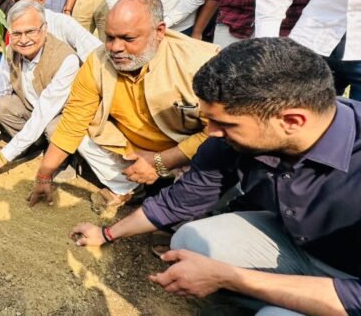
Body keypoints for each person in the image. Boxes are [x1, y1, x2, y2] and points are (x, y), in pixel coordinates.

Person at [69, 38, 357, 316]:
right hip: (296, 243)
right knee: (190, 240)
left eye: (225, 124)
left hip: (350, 283)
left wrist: (230, 278)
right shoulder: (234, 135)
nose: (212, 131)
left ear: (292, 121)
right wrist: (107, 233)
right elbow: (180, 201)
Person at [28, 0, 218, 208]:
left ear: (159, 31)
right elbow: (73, 121)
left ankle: (171, 220)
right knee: (66, 128)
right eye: (109, 37)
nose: (116, 48)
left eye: (128, 39)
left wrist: (160, 161)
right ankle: (129, 189)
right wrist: (44, 175)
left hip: (183, 155)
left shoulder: (199, 64)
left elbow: (219, 132)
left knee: (207, 173)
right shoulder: (97, 63)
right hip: (129, 151)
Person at [0, 0, 80, 178]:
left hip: (57, 115)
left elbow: (44, 113)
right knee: (0, 105)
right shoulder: (11, 51)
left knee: (53, 128)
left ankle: (62, 160)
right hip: (31, 109)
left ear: (44, 28)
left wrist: (5, 155)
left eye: (30, 32)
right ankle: (33, 147)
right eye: (17, 33)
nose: (24, 40)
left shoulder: (66, 60)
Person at [13, 0, 101, 62]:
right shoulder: (14, 28)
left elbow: (94, 50)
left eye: (26, 0)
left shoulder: (62, 22)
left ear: (41, 1)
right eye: (17, 2)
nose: (21, 6)